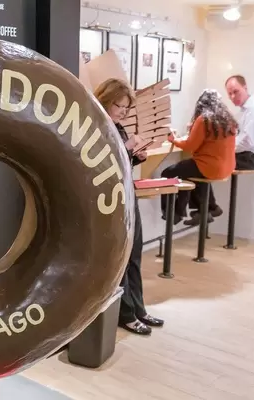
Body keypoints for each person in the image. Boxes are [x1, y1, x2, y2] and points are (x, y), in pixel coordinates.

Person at [94, 78, 164, 336]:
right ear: (105, 99)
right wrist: (127, 148)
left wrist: (136, 155)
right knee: (121, 259)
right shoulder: (96, 125)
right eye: (119, 105)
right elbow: (101, 162)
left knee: (134, 254)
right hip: (110, 200)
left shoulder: (118, 127)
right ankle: (126, 313)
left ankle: (138, 309)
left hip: (126, 196)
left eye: (126, 107)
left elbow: (122, 162)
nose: (122, 111)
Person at [187, 75, 254, 224]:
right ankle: (208, 207)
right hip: (246, 154)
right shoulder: (245, 110)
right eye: (230, 94)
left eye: (236, 91)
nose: (233, 97)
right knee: (201, 164)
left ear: (245, 88)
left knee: (199, 165)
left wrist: (221, 150)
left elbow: (247, 142)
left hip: (249, 157)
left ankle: (207, 208)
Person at [160, 89, 237, 225]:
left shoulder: (204, 120)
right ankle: (208, 208)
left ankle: (171, 212)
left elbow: (190, 146)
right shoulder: (228, 119)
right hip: (227, 167)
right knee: (188, 174)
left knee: (167, 173)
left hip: (209, 166)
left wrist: (173, 140)